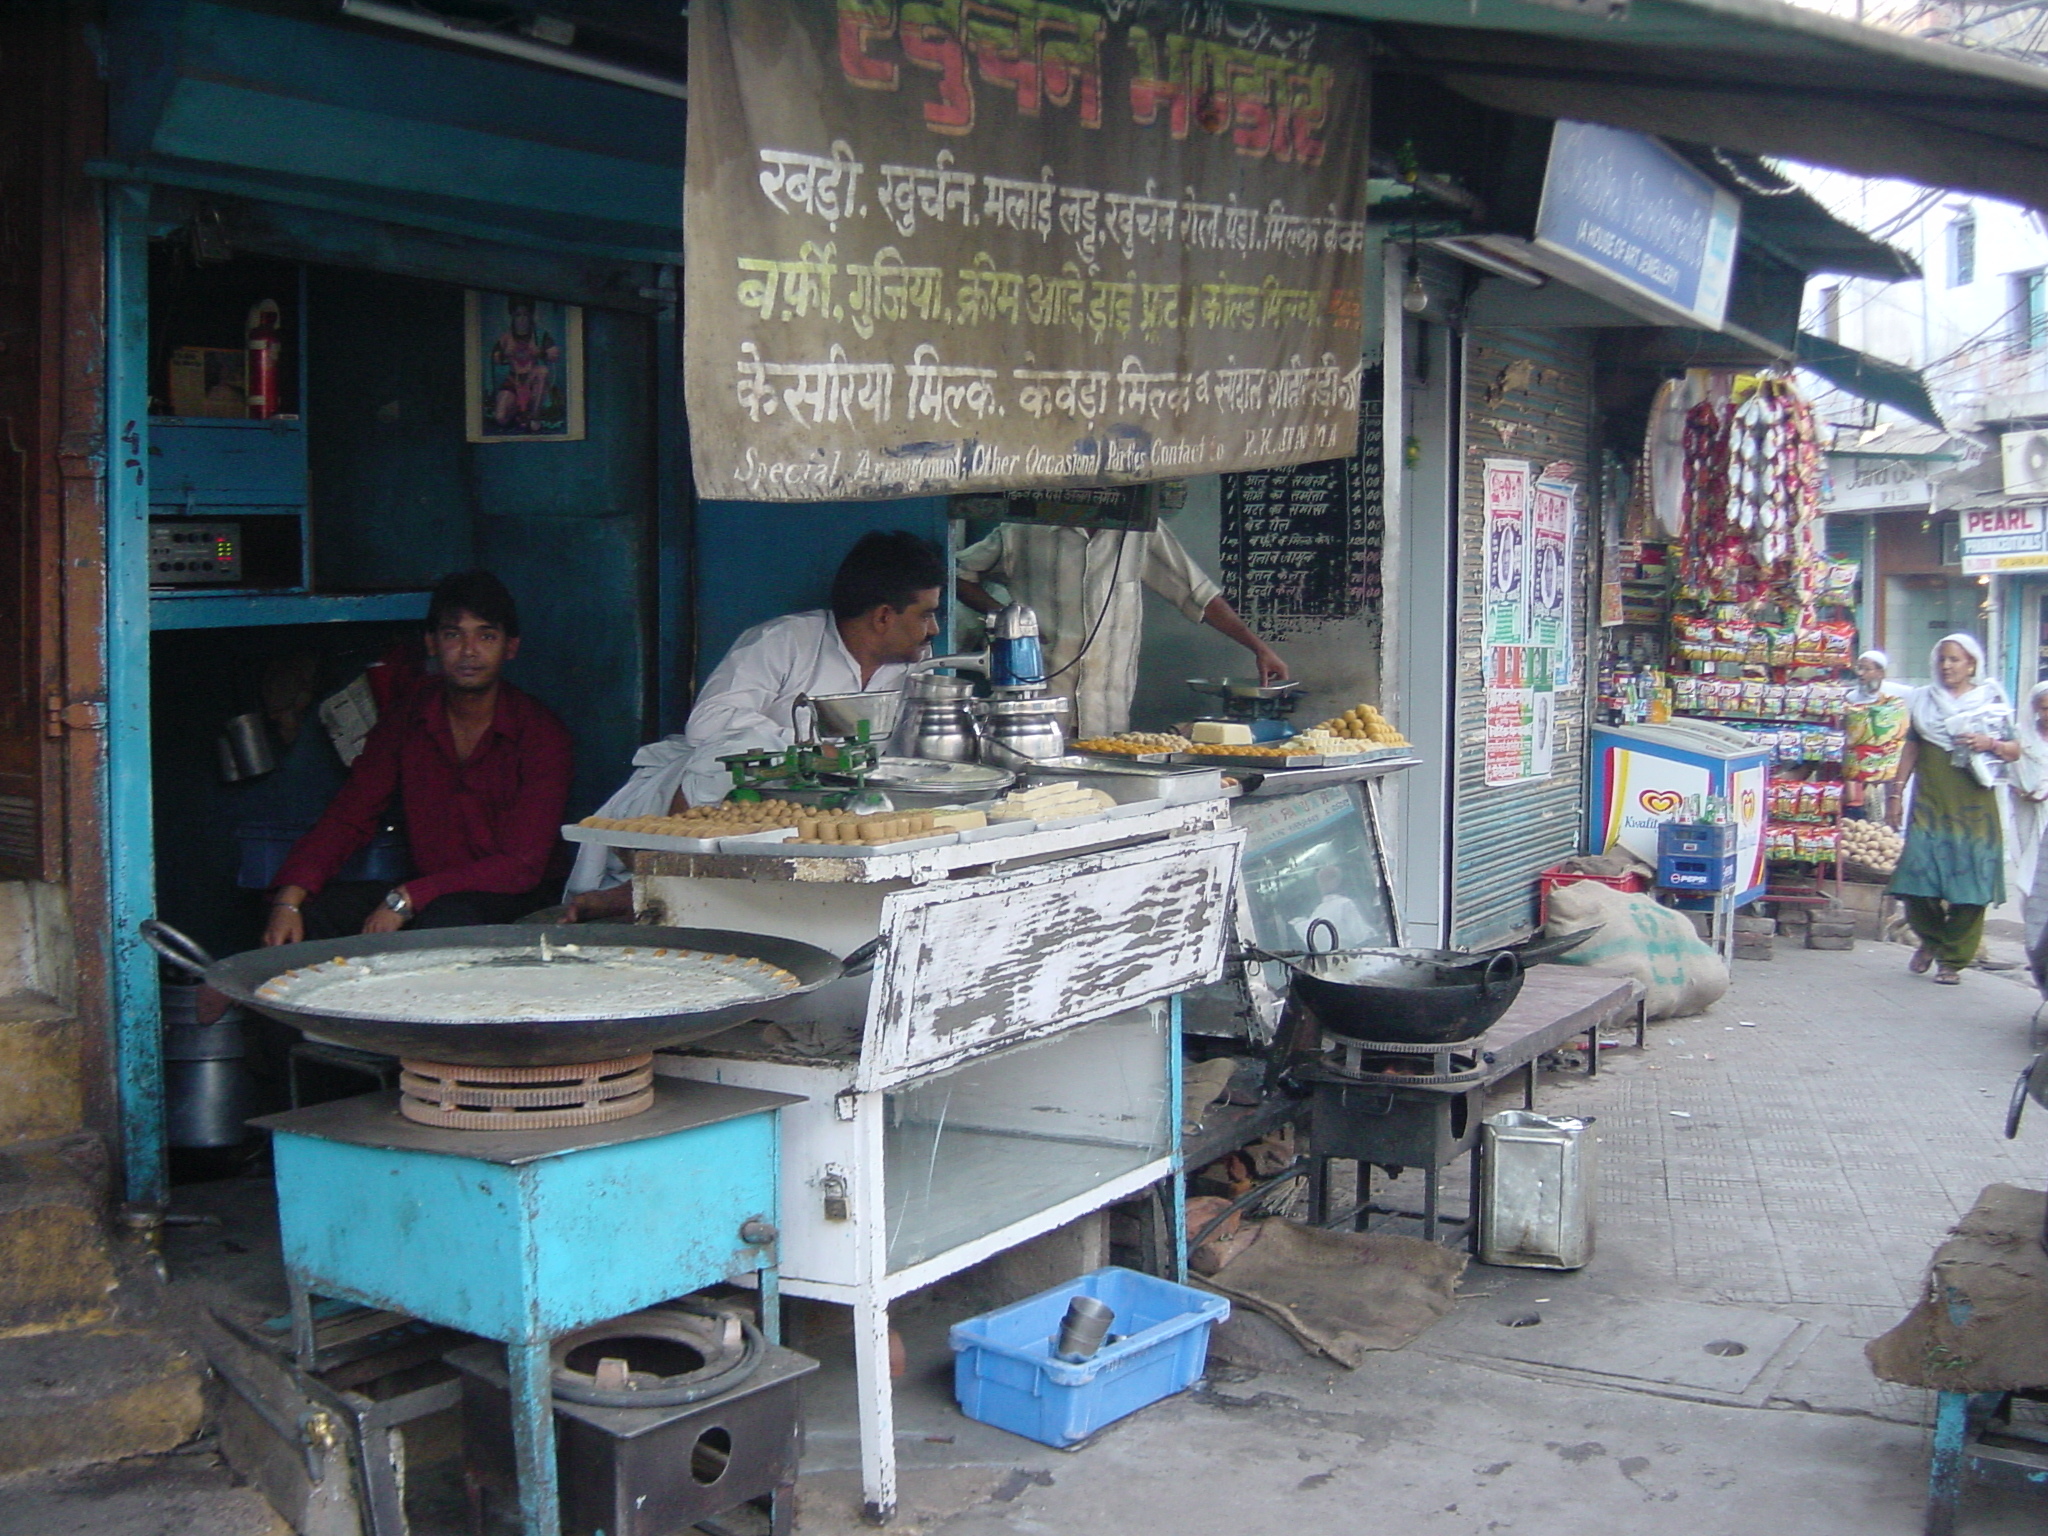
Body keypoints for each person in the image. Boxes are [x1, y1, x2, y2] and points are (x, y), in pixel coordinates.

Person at [563, 530, 945, 916]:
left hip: (821, 811)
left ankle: (655, 889)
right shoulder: (785, 642)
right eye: (926, 614)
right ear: (883, 616)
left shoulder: (915, 673)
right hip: (716, 795)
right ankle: (651, 884)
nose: (935, 630)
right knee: (730, 751)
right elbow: (708, 723)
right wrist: (808, 749)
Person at [263, 570, 573, 945]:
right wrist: (290, 899)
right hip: (428, 893)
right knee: (316, 919)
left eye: (486, 635)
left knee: (443, 924)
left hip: (517, 898)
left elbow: (521, 866)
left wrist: (408, 898)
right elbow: (349, 816)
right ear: (431, 643)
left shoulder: (540, 733)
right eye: (453, 635)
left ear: (511, 647)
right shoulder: (406, 721)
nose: (469, 650)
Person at [955, 519, 1287, 740]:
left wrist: (1258, 647)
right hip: (1037, 711)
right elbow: (958, 573)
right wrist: (1010, 619)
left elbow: (1197, 592)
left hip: (1108, 718)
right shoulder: (1024, 529)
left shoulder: (1140, 530)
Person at [1889, 633, 2011, 985]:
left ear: (1971, 663)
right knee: (1917, 881)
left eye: (1954, 659)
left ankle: (1952, 960)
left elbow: (2015, 749)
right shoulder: (1924, 701)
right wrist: (1896, 793)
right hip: (1930, 805)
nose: (1946, 666)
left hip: (1976, 808)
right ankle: (1931, 940)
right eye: (1942, 659)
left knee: (1971, 889)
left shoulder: (1990, 699)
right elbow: (1911, 748)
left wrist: (1990, 743)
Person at [2008, 682, 2048, 995]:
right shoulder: (2022, 737)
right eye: (2044, 706)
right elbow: (2009, 771)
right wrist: (2021, 789)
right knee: (2028, 884)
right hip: (2027, 815)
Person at [1844, 649, 1911, 824]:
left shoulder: (1897, 696)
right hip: (1859, 770)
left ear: (1881, 673)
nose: (1860, 674)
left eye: (1866, 669)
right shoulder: (1850, 698)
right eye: (1859, 668)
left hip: (1888, 769)